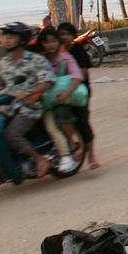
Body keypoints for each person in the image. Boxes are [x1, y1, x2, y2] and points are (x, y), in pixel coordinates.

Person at [0, 22, 56, 177]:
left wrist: (30, 93)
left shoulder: (35, 60)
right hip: (7, 106)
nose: (6, 40)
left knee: (12, 135)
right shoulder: (3, 63)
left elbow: (47, 81)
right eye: (5, 36)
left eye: (11, 37)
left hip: (30, 106)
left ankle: (39, 159)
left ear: (22, 39)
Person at [34, 27, 82, 174]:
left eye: (54, 41)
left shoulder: (65, 58)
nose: (51, 45)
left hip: (62, 99)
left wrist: (67, 93)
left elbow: (77, 76)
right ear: (41, 44)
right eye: (46, 42)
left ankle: (68, 152)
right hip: (45, 101)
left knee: (55, 124)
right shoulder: (38, 60)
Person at [56, 23, 99, 169]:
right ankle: (72, 147)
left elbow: (83, 73)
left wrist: (68, 79)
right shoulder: (56, 52)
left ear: (73, 35)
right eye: (61, 34)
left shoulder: (78, 50)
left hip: (79, 92)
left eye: (67, 34)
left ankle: (92, 155)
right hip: (61, 92)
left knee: (82, 122)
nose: (64, 37)